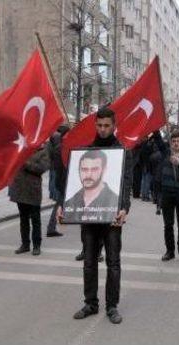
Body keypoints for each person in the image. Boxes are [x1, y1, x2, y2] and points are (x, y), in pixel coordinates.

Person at [57, 106, 132, 325]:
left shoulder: (123, 152)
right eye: (99, 125)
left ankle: (112, 306)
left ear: (114, 126)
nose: (102, 129)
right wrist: (64, 206)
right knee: (89, 262)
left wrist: (124, 208)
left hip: (112, 218)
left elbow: (126, 184)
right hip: (89, 217)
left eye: (107, 125)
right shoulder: (86, 152)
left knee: (113, 263)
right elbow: (71, 183)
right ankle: (90, 303)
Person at [156, 130, 179, 262]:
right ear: (170, 143)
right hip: (167, 192)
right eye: (174, 141)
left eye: (178, 141)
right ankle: (169, 251)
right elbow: (159, 142)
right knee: (168, 224)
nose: (176, 144)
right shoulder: (167, 153)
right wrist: (156, 129)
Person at [10, 147, 50, 256]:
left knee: (35, 219)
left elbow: (41, 168)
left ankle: (36, 245)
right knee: (23, 219)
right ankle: (25, 244)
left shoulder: (43, 151)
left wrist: (25, 163)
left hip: (33, 190)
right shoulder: (22, 148)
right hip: (20, 189)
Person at [47, 125, 70, 237]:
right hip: (62, 179)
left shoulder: (60, 147)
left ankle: (59, 221)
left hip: (61, 178)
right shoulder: (61, 148)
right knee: (59, 203)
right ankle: (51, 227)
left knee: (61, 202)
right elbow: (60, 168)